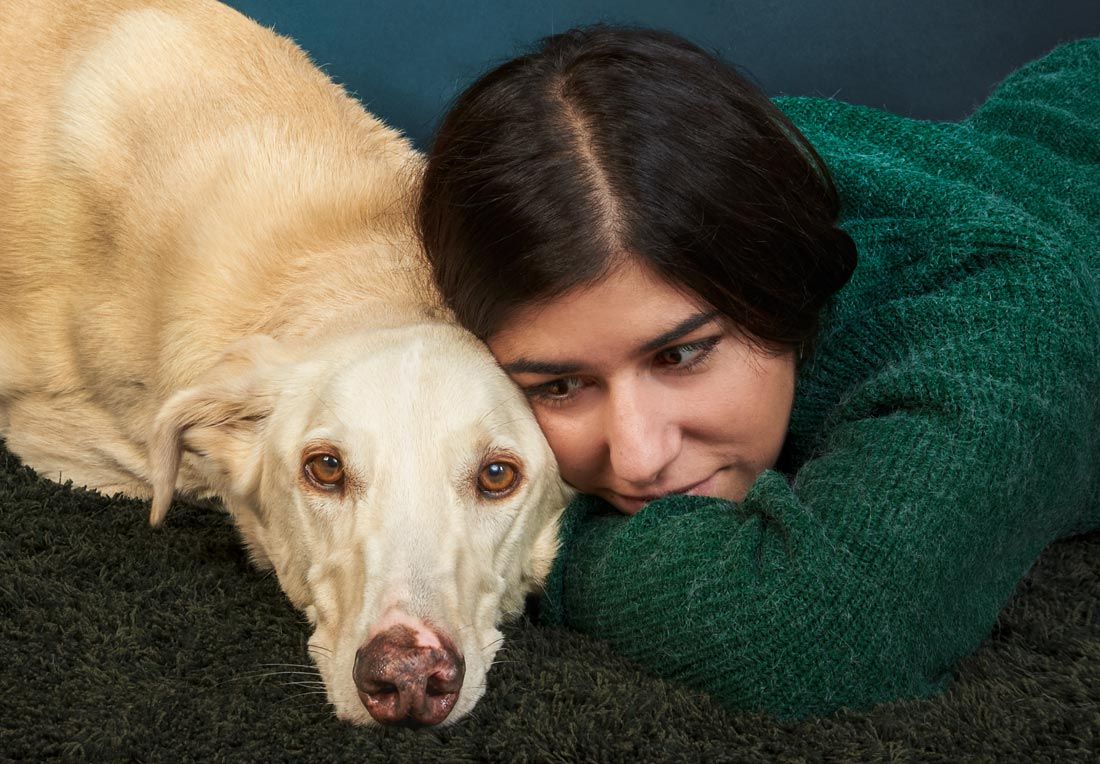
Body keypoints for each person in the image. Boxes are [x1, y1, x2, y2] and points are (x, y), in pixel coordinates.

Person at [417, 26, 1099, 717]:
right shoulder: (679, 169)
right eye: (559, 386)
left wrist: (527, 545)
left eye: (681, 355)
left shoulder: (1000, 318)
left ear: (784, 283)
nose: (640, 456)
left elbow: (822, 638)